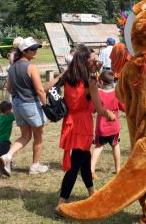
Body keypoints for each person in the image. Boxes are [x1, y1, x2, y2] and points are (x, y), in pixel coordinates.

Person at [47, 45, 115, 213]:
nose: (95, 61)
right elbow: (99, 109)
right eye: (92, 59)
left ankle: (92, 192)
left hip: (70, 121)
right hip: (82, 124)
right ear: (85, 60)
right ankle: (61, 203)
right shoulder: (89, 81)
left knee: (84, 157)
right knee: (74, 165)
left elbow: (46, 87)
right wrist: (109, 115)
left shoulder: (69, 75)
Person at [0, 37, 48, 177]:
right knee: (38, 136)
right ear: (24, 51)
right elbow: (39, 90)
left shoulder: (12, 67)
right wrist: (45, 105)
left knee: (25, 135)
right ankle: (35, 166)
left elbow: (8, 87)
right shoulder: (31, 67)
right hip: (30, 104)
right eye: (32, 49)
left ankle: (7, 156)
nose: (35, 51)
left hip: (17, 104)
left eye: (36, 48)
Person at [90, 71, 125, 178]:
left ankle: (91, 170)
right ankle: (118, 169)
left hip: (102, 126)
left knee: (98, 147)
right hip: (114, 125)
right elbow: (123, 107)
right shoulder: (117, 93)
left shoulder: (98, 93)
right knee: (115, 145)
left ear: (101, 82)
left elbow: (93, 109)